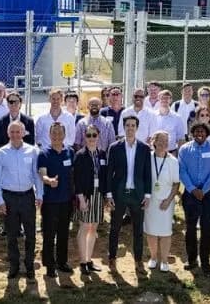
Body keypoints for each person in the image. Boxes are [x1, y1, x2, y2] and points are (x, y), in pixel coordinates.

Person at [0, 121, 43, 281]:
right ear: (8, 134)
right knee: (11, 234)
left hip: (28, 197)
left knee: (30, 234)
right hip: (9, 198)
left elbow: (37, 176)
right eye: (12, 132)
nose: (15, 134)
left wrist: (40, 195)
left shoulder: (33, 151)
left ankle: (29, 265)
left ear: (24, 133)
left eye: (18, 131)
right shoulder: (1, 153)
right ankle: (14, 265)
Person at [106, 116, 152, 272]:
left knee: (138, 230)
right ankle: (112, 258)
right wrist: (109, 194)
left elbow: (147, 174)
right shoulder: (114, 147)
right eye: (127, 125)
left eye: (133, 125)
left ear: (137, 128)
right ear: (123, 127)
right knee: (115, 228)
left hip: (137, 194)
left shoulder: (144, 148)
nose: (130, 128)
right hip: (119, 194)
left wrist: (147, 195)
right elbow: (109, 172)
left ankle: (138, 261)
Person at [178, 121, 210, 274]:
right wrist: (192, 189)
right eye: (196, 132)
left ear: (207, 133)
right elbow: (182, 171)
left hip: (208, 195)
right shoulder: (184, 149)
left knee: (207, 229)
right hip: (190, 194)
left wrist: (204, 189)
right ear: (192, 133)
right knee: (190, 229)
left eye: (203, 131)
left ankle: (205, 261)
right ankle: (191, 260)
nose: (199, 134)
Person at [38, 123, 75, 278]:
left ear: (64, 135)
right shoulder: (44, 153)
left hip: (66, 201)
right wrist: (49, 180)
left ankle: (62, 262)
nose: (57, 135)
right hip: (50, 202)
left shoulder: (70, 152)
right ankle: (49, 265)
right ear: (49, 134)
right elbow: (42, 173)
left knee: (63, 233)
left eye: (60, 133)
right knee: (49, 234)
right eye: (54, 133)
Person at [144, 131, 181, 272]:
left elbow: (176, 184)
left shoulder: (172, 161)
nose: (164, 143)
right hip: (150, 201)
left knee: (165, 232)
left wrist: (168, 200)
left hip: (166, 202)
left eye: (166, 141)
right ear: (154, 141)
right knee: (151, 231)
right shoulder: (147, 158)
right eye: (161, 140)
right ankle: (153, 258)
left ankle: (165, 260)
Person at [73, 124, 108, 274]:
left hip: (98, 194)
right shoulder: (80, 155)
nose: (92, 138)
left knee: (93, 228)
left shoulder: (102, 154)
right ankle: (82, 262)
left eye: (94, 135)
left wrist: (106, 196)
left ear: (98, 136)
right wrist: (81, 199)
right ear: (84, 137)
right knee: (84, 227)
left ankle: (89, 260)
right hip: (85, 195)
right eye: (89, 135)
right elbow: (76, 179)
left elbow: (105, 176)